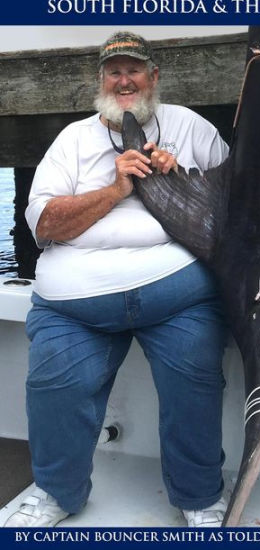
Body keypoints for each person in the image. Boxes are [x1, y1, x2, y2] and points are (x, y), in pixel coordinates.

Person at [4, 32, 229, 528]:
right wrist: (115, 188)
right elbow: (43, 224)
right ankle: (56, 493)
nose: (123, 79)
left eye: (134, 69)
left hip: (178, 296)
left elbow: (236, 210)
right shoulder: (74, 139)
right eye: (113, 71)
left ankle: (198, 495)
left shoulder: (191, 128)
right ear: (101, 80)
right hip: (73, 305)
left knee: (195, 381)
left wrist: (182, 181)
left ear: (154, 77)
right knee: (54, 388)